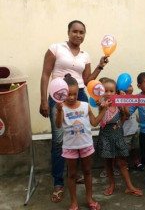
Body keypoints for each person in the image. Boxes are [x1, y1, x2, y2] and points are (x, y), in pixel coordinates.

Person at [39, 20, 108, 203]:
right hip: (59, 97)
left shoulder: (85, 56)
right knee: (59, 139)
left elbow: (86, 80)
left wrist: (100, 66)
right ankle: (58, 182)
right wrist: (43, 100)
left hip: (80, 96)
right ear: (68, 32)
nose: (78, 35)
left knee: (80, 134)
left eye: (82, 32)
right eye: (75, 31)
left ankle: (74, 174)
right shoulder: (56, 48)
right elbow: (46, 74)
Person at [55, 74, 109, 210]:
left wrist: (104, 109)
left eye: (75, 94)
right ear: (63, 93)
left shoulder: (85, 106)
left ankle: (89, 198)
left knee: (87, 172)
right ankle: (74, 202)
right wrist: (59, 111)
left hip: (86, 145)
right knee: (72, 174)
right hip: (70, 147)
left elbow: (95, 122)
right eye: (68, 94)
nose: (72, 97)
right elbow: (57, 125)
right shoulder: (62, 108)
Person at [96, 78, 143, 197]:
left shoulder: (118, 104)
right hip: (105, 137)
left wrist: (124, 101)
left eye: (111, 91)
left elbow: (127, 114)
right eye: (105, 91)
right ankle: (112, 185)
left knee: (122, 163)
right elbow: (100, 112)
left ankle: (129, 187)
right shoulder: (101, 104)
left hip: (118, 137)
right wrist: (103, 106)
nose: (108, 93)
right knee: (108, 163)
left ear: (116, 93)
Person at [122, 84, 144, 171]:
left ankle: (136, 161)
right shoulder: (121, 103)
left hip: (134, 130)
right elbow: (126, 116)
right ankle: (125, 163)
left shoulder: (133, 102)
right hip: (125, 132)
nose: (130, 95)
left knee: (135, 148)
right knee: (125, 150)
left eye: (131, 93)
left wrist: (138, 120)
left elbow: (134, 114)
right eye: (127, 93)